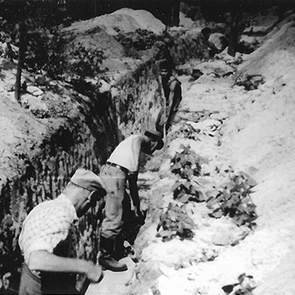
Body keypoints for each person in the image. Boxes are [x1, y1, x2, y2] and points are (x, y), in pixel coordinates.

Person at [18, 168, 107, 295]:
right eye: (92, 203)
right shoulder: (62, 215)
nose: (88, 209)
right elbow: (36, 259)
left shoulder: (43, 208)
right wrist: (85, 267)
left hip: (35, 283)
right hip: (41, 288)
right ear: (90, 197)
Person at [99, 130, 164, 272]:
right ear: (153, 141)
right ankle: (105, 257)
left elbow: (133, 183)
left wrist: (137, 205)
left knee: (125, 207)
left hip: (114, 173)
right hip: (115, 174)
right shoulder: (139, 140)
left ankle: (118, 248)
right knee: (115, 215)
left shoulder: (130, 151)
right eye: (155, 147)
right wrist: (135, 164)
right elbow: (138, 141)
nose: (152, 152)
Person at [155, 60, 182, 136]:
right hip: (167, 101)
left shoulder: (173, 83)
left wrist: (167, 117)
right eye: (161, 71)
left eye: (165, 71)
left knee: (168, 124)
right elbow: (161, 89)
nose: (163, 73)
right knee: (158, 123)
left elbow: (171, 103)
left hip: (175, 103)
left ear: (169, 72)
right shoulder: (160, 77)